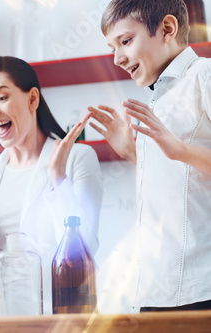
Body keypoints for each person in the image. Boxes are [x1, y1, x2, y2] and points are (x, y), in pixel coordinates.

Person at [0, 56, 103, 314]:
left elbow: (84, 250)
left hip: (57, 317)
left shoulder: (77, 159)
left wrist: (58, 179)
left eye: (1, 97)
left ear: (32, 99)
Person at [88, 0, 211, 311]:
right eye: (112, 47)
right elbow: (181, 178)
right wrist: (130, 150)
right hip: (155, 289)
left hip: (201, 289)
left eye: (126, 41)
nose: (117, 58)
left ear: (167, 29)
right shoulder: (156, 100)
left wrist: (179, 149)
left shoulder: (204, 75)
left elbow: (180, 155)